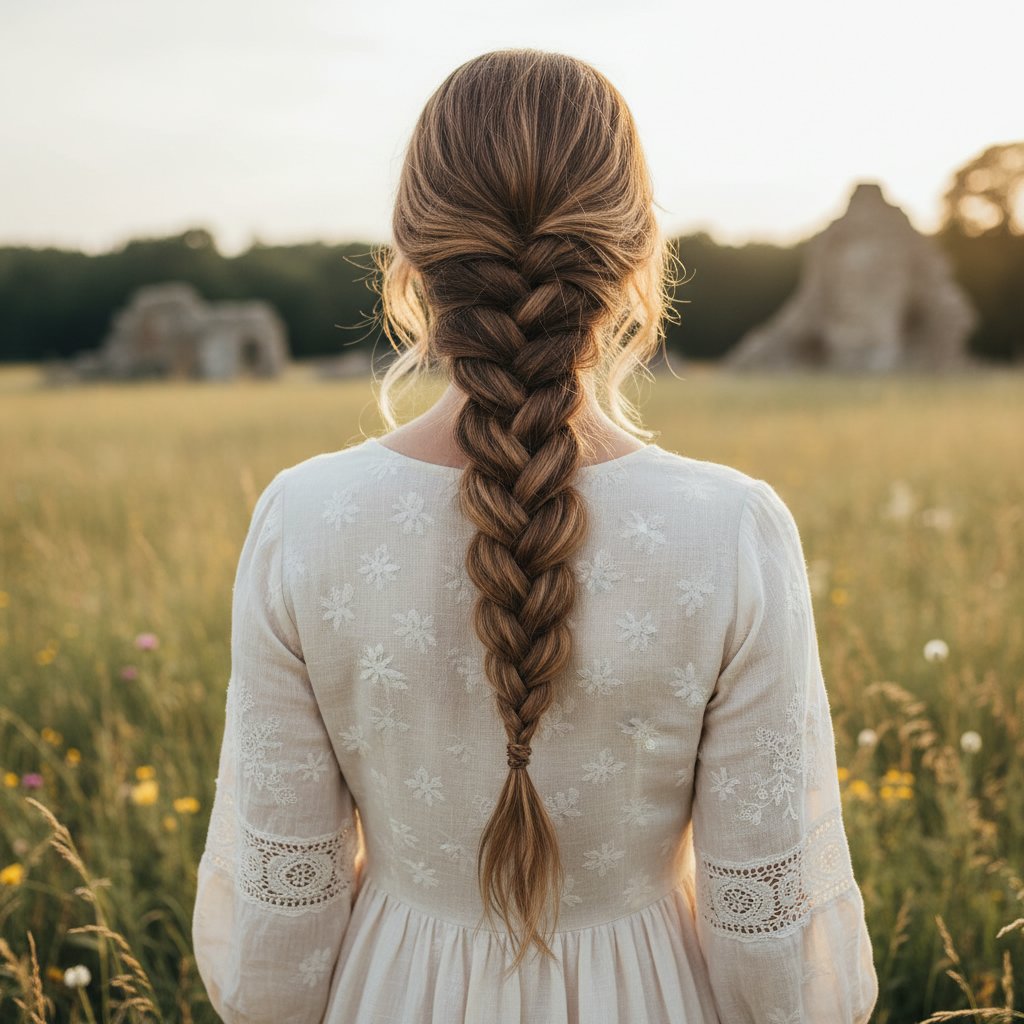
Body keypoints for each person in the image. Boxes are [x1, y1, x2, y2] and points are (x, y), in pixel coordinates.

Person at [191, 47, 879, 1024]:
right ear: (638, 254)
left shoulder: (301, 520)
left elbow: (280, 926)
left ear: (410, 260)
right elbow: (766, 938)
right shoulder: (731, 532)